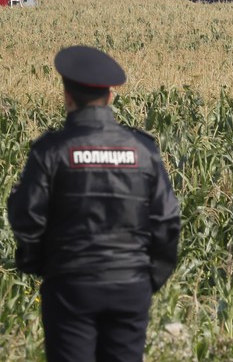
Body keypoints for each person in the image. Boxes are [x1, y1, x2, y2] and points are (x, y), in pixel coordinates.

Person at [6, 45, 180, 362]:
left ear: (67, 96)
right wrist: (151, 276)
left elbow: (26, 216)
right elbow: (167, 220)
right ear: (111, 96)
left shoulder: (51, 150)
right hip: (130, 283)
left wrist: (38, 264)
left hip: (71, 283)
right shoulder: (142, 149)